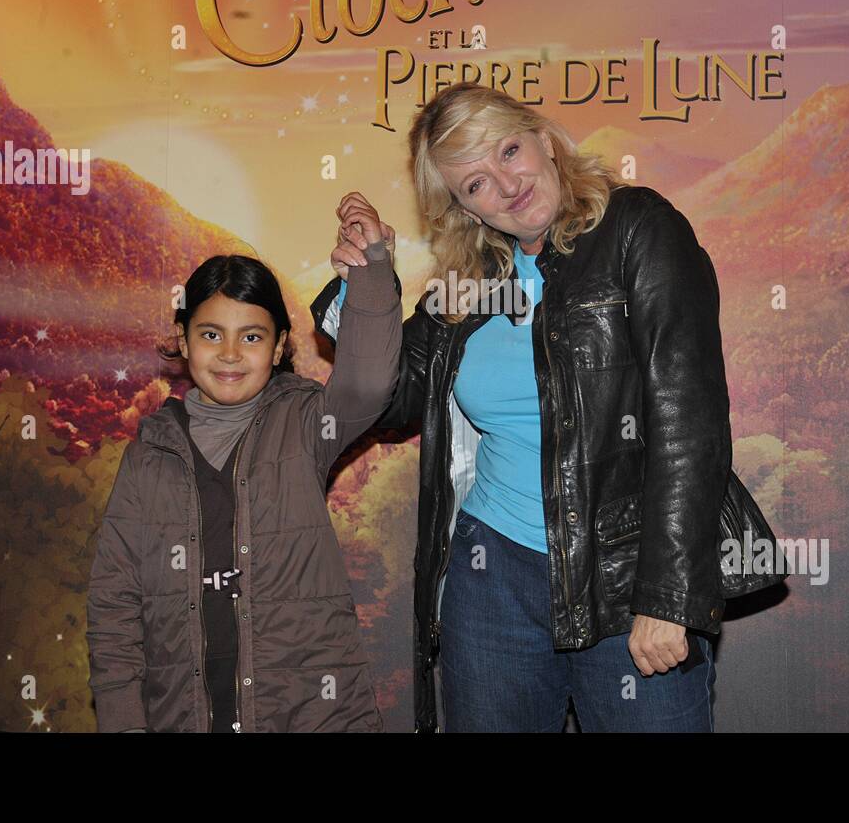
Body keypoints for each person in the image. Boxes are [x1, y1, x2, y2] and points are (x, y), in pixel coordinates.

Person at [312, 83, 732, 732]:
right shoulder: (469, 283)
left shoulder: (638, 229)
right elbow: (395, 402)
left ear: (544, 137)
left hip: (624, 572)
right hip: (493, 577)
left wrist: (668, 595)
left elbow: (689, 423)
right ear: (462, 209)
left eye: (509, 151)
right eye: (475, 182)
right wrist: (367, 288)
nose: (506, 186)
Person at [86, 195, 401, 732]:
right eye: (211, 334)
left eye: (251, 337)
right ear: (183, 341)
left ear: (279, 346)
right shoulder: (150, 452)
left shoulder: (304, 423)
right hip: (182, 716)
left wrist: (371, 270)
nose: (230, 354)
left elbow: (369, 383)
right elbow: (114, 599)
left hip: (308, 715)